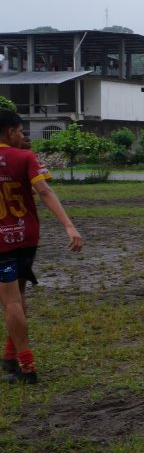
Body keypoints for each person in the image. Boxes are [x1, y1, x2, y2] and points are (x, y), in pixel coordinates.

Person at [0, 110, 84, 384]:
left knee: (10, 301)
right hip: (25, 237)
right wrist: (69, 225)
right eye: (21, 131)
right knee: (18, 295)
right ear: (10, 131)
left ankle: (26, 367)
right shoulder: (25, 157)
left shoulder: (24, 154)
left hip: (1, 241)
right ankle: (10, 357)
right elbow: (45, 191)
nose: (23, 136)